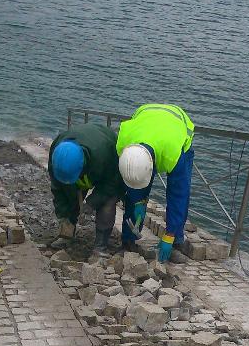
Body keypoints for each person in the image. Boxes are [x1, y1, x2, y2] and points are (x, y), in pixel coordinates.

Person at [116, 103, 195, 261]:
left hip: (176, 128)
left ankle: (175, 240)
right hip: (145, 120)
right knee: (135, 185)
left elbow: (178, 195)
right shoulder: (122, 145)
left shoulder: (173, 155)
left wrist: (169, 234)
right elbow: (131, 177)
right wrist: (137, 200)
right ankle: (129, 240)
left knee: (179, 193)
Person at [48, 123, 125, 255]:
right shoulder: (57, 155)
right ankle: (66, 234)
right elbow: (58, 189)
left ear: (83, 166)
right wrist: (63, 216)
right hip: (82, 160)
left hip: (107, 162)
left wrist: (91, 203)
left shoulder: (106, 154)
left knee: (107, 203)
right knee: (68, 194)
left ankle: (101, 245)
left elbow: (111, 185)